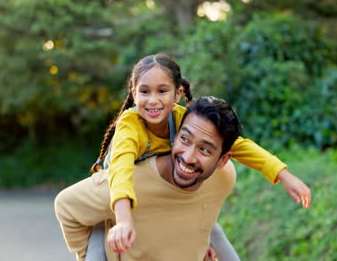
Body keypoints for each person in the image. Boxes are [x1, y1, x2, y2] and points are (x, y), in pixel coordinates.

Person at [56, 54, 311, 260]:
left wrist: (282, 174)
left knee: (212, 228)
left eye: (162, 91)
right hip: (114, 194)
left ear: (178, 94)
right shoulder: (130, 125)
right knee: (98, 240)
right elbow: (122, 170)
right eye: (144, 92)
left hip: (166, 191)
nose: (153, 100)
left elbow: (240, 146)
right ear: (134, 94)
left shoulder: (182, 119)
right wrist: (123, 221)